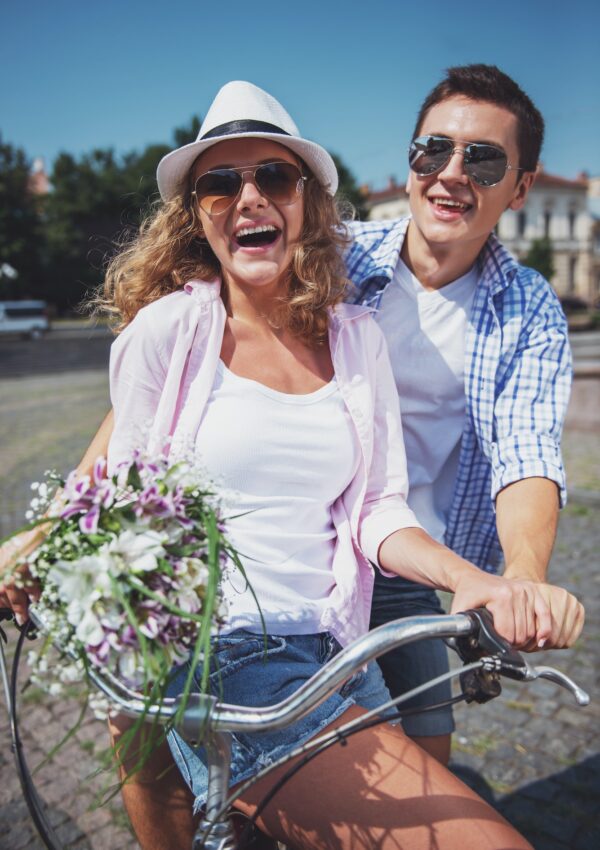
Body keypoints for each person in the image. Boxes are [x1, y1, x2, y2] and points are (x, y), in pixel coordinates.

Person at [0, 79, 583, 850]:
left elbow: (488, 468)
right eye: (220, 182)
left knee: (427, 760)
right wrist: (44, 535)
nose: (450, 172)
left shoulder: (373, 330)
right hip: (228, 650)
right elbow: (128, 462)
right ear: (195, 211)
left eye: (274, 177)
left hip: (356, 615)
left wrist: (501, 578)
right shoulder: (175, 328)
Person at [345, 63, 579, 766]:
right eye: (433, 149)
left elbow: (527, 449)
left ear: (521, 187)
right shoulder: (333, 255)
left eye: (483, 159)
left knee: (426, 764)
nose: (451, 173)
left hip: (424, 566)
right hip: (309, 553)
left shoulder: (529, 307)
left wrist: (525, 576)